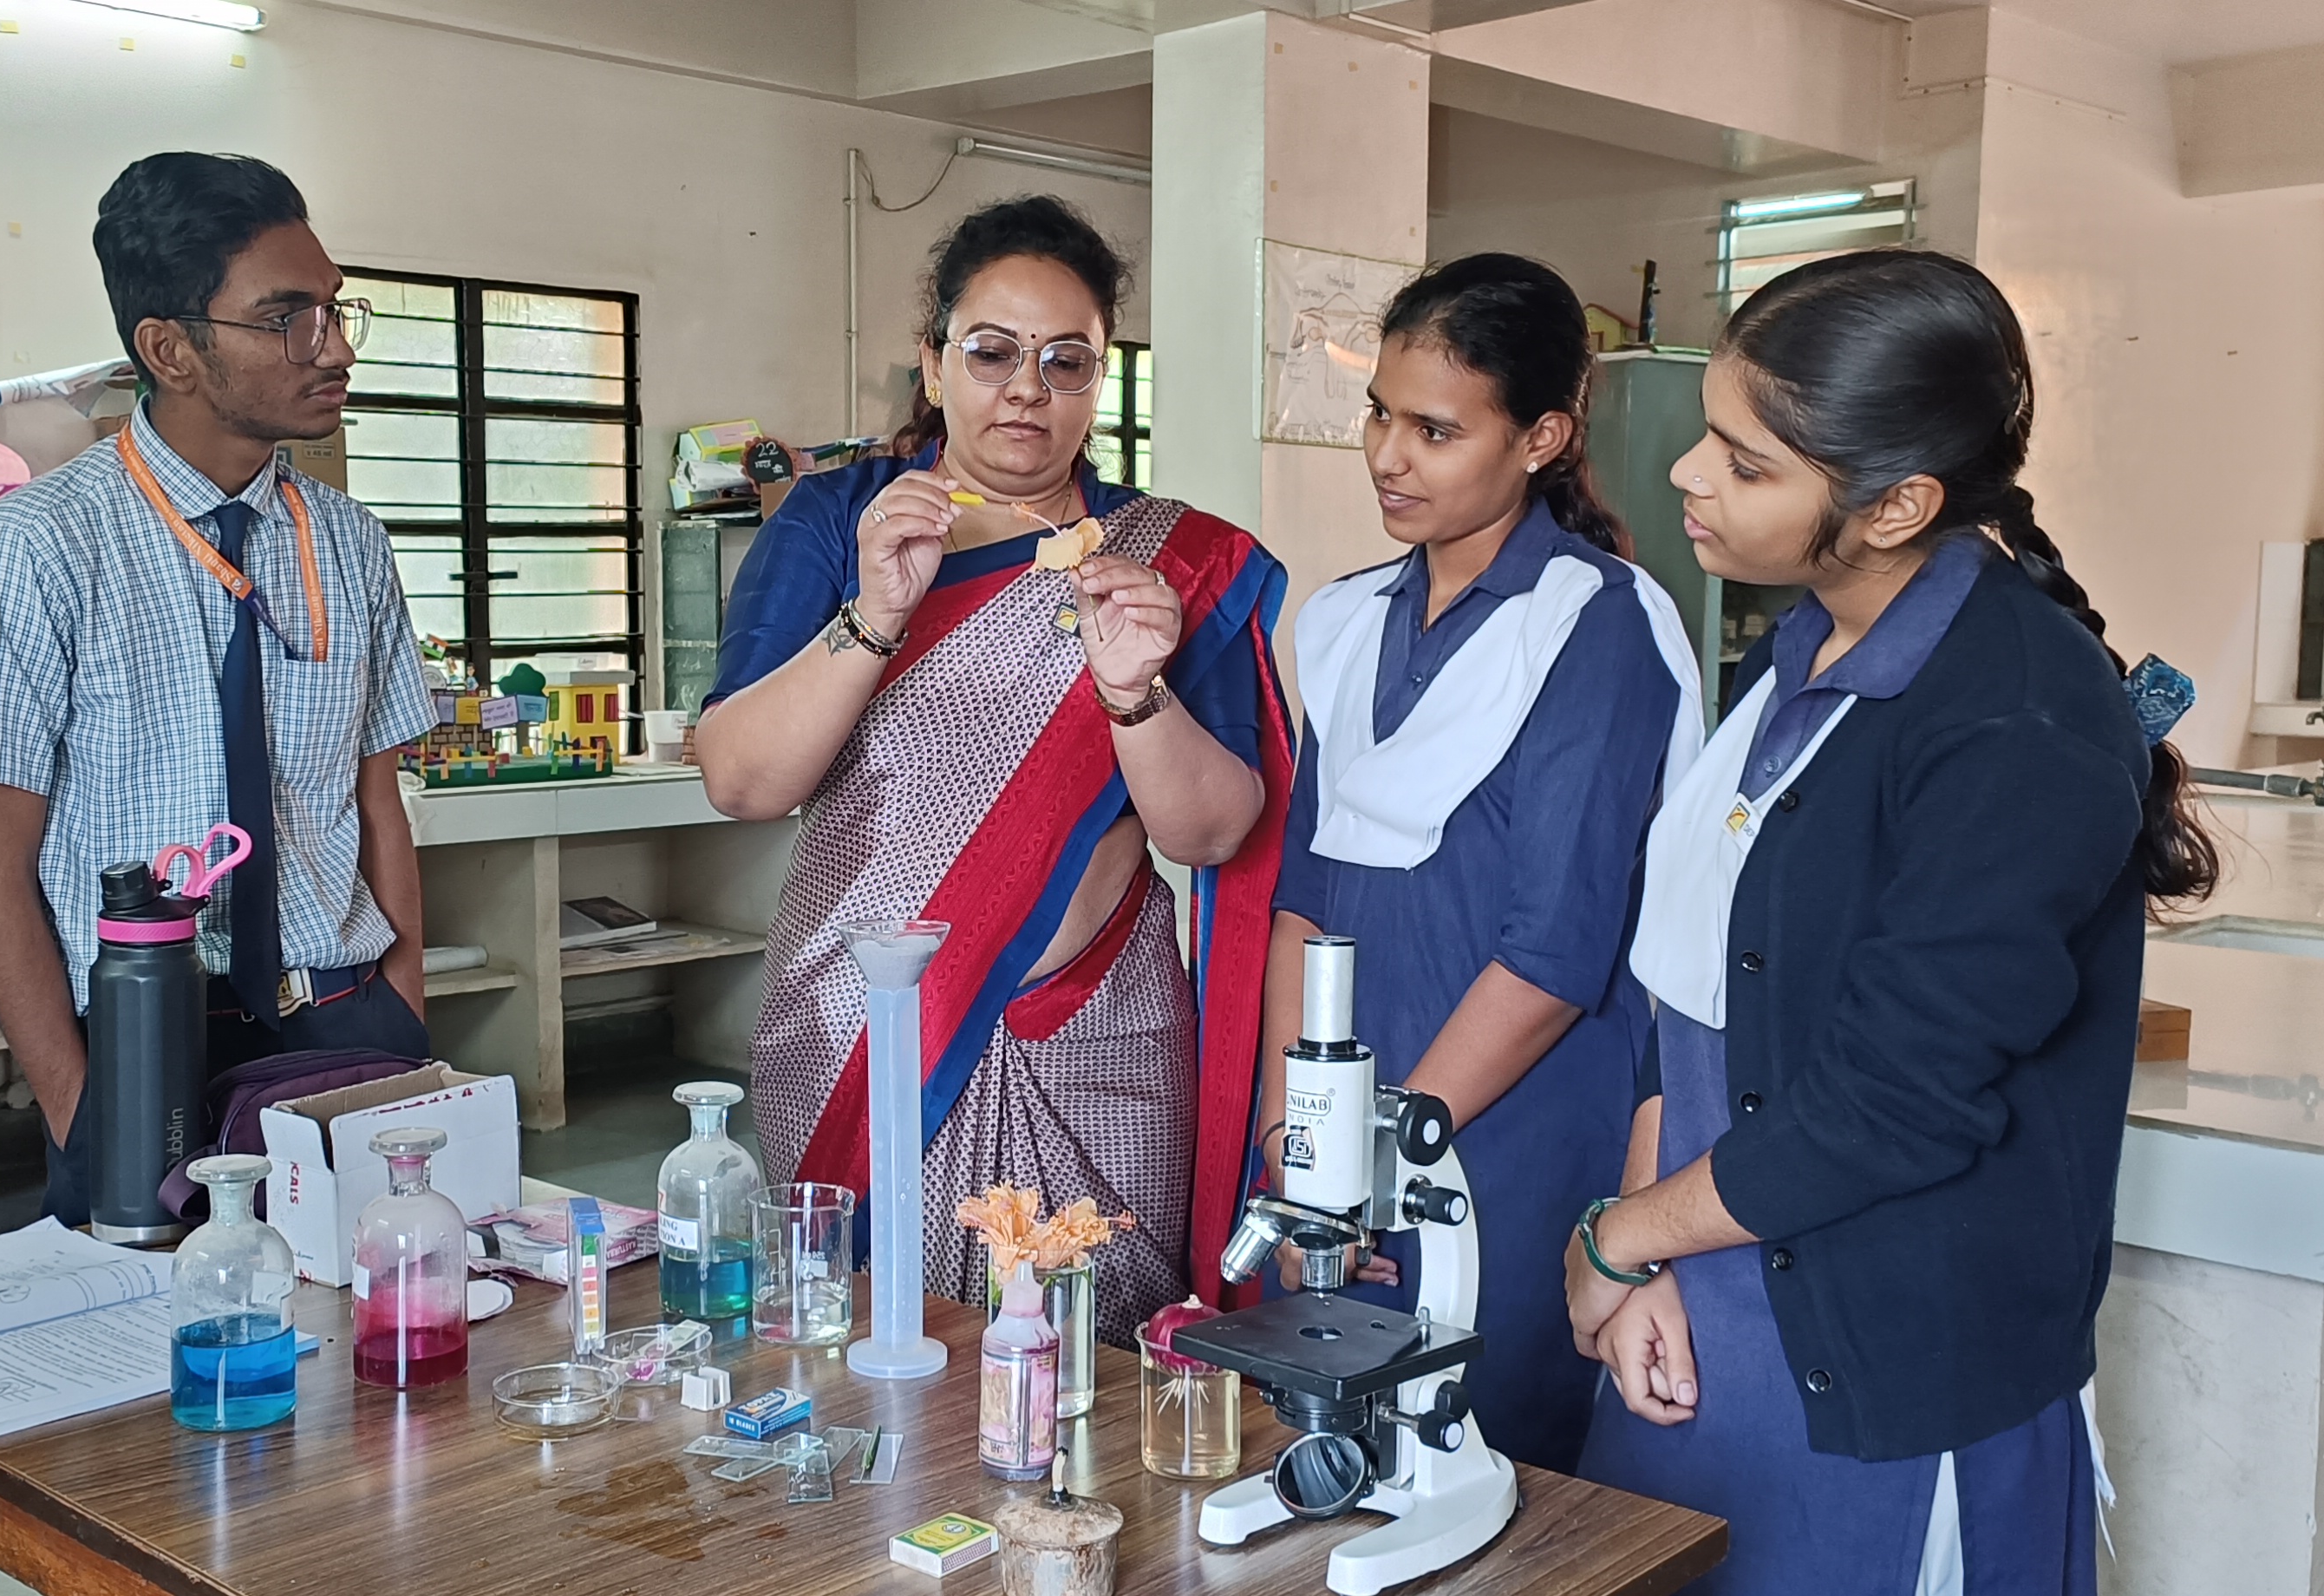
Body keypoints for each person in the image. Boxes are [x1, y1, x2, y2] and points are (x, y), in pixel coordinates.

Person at [1567, 249, 2220, 1594]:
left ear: (1898, 503)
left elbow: (1898, 1104)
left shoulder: (2017, 715)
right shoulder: (1799, 649)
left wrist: (1617, 1239)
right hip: (1697, 1304)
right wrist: (1638, 1258)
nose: (1689, 474)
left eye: (1747, 464)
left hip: (1885, 1357)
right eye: (1708, 434)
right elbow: (1688, 989)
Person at [702, 196, 1293, 1329]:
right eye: (991, 352)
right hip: (863, 1029)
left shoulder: (1168, 561)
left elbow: (1214, 831)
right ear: (933, 362)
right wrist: (877, 613)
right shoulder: (840, 522)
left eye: (1067, 360)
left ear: (1098, 380)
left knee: (1089, 1367)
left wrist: (1135, 691)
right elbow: (743, 781)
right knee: (863, 1345)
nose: (1028, 387)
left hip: (1096, 1039)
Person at [1264, 254, 1699, 1474]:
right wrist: (1295, 1138)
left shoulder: (1596, 626)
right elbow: (1303, 899)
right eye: (1381, 416)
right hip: (1352, 1119)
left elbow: (1556, 955)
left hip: (1511, 1130)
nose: (1389, 457)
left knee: (1490, 1462)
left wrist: (1389, 1145)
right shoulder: (1347, 621)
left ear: (1540, 438)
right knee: (1344, 1460)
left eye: (1437, 430)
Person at [0, 153, 434, 1227]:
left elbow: (377, 800)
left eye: (336, 309)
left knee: (389, 1307)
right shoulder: (35, 547)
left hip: (344, 1018)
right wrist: (80, 1106)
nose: (334, 347)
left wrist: (403, 1003)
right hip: (141, 1038)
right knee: (170, 1324)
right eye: (286, 318)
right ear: (168, 348)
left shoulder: (349, 541)